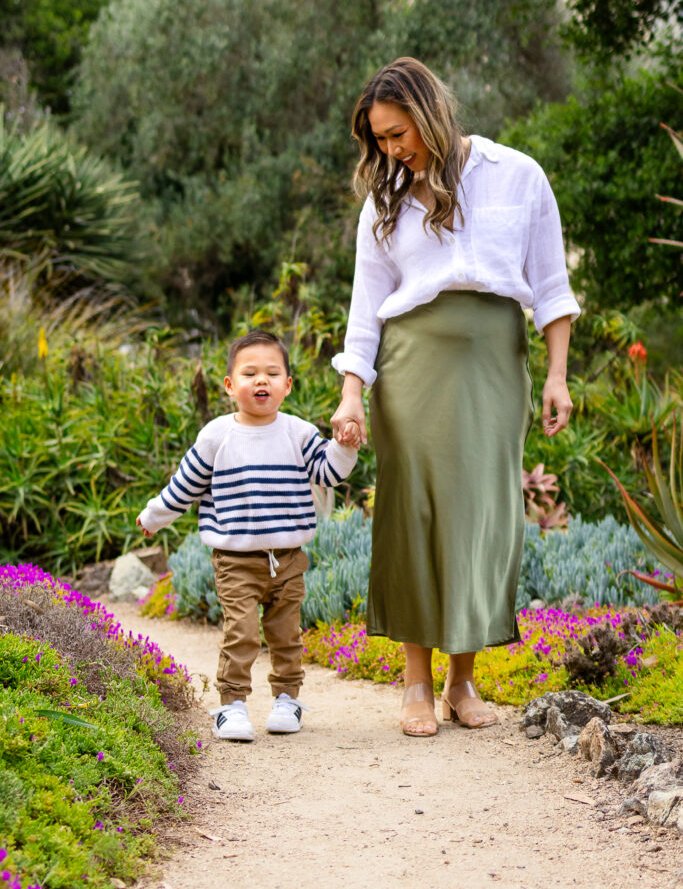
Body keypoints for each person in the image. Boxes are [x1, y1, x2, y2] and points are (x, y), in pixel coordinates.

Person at [330, 57, 580, 737]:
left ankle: (461, 682)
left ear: (429, 111)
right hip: (410, 366)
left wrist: (556, 376)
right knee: (411, 510)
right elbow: (365, 312)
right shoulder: (384, 204)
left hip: (495, 365)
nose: (390, 150)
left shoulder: (517, 175)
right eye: (378, 140)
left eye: (397, 132)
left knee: (479, 514)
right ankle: (413, 683)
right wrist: (351, 395)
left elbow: (551, 288)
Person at [137, 330, 358, 742]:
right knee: (242, 632)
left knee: (286, 634)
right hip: (235, 559)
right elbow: (183, 486)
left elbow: (329, 471)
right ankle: (231, 705)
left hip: (288, 557)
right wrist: (154, 516)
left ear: (287, 386)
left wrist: (345, 446)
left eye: (273, 373)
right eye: (250, 373)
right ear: (229, 385)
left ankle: (287, 699)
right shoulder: (217, 436)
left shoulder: (299, 433)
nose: (262, 381)